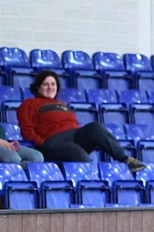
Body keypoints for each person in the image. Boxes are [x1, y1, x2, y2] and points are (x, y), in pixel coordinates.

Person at [17, 70, 146, 171]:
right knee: (73, 149)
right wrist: (42, 142)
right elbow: (27, 129)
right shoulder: (30, 103)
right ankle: (91, 178)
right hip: (51, 143)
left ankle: (126, 160)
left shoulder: (62, 104)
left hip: (73, 136)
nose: (50, 87)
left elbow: (73, 125)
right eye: (45, 84)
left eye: (53, 84)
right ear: (38, 88)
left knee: (95, 127)